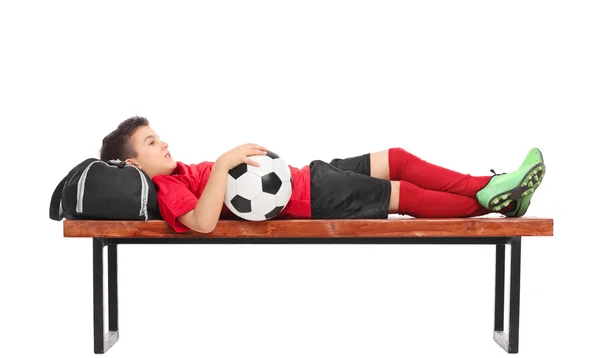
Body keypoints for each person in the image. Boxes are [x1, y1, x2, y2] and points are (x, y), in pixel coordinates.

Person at [99, 116, 546, 234]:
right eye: (152, 144)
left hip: (307, 177)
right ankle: (492, 198)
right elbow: (202, 222)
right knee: (402, 193)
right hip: (308, 199)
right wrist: (222, 163)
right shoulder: (167, 186)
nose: (165, 144)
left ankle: (493, 188)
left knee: (399, 157)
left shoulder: (175, 173)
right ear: (134, 164)